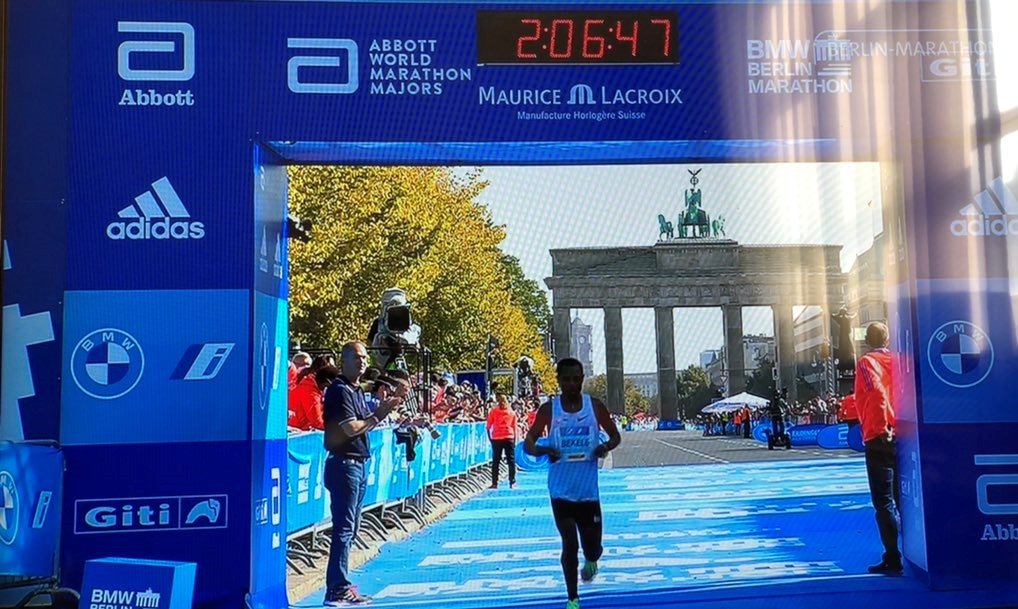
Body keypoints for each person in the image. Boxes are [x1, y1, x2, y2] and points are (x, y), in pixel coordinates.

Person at [524, 358, 621, 609]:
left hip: (588, 494)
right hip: (560, 492)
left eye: (576, 379)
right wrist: (544, 450)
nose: (571, 384)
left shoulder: (594, 407)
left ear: (582, 379)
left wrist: (604, 447)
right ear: (558, 380)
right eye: (566, 379)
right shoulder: (549, 410)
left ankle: (592, 560)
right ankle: (573, 599)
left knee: (592, 549)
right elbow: (528, 443)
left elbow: (615, 436)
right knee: (569, 543)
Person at [322, 341, 403, 606]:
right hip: (344, 465)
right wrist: (378, 414)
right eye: (357, 357)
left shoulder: (356, 390)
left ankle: (340, 585)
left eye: (365, 357)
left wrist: (382, 412)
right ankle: (337, 589)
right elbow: (351, 428)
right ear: (343, 361)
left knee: (352, 527)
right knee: (344, 529)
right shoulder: (339, 391)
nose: (362, 362)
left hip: (357, 464)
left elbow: (364, 423)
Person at [854, 322, 902, 576]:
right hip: (905, 433)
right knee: (904, 497)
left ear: (866, 340)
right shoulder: (899, 360)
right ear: (887, 340)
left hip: (880, 435)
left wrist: (883, 426)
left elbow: (875, 392)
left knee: (883, 501)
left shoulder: (866, 362)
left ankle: (892, 557)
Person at [288, 365, 341, 431]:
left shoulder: (313, 386)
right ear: (327, 382)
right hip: (298, 430)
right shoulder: (310, 392)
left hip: (302, 427)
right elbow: (317, 423)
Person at [486, 393, 518, 489]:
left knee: (496, 461)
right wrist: (514, 440)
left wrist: (490, 438)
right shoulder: (511, 413)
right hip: (509, 437)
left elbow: (488, 426)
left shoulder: (493, 412)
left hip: (497, 437)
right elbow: (514, 428)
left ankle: (494, 483)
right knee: (511, 460)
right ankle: (512, 482)